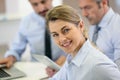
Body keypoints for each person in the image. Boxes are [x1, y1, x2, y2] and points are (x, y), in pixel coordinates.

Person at [46, 5, 120, 80]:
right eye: (55, 35)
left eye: (66, 30)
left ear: (81, 26)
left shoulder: (98, 65)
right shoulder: (71, 59)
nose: (61, 39)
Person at [0, 0, 66, 68]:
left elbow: (76, 45)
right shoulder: (26, 21)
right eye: (35, 4)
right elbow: (16, 48)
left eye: (43, 2)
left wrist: (66, 57)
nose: (41, 8)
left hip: (63, 68)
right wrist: (10, 57)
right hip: (36, 69)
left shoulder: (66, 17)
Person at [78, 0, 120, 67]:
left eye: (88, 8)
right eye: (82, 9)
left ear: (103, 3)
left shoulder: (117, 27)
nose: (84, 14)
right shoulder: (94, 26)